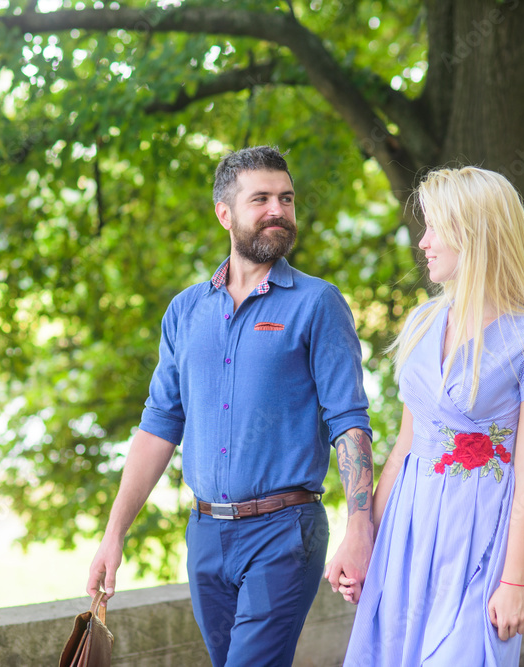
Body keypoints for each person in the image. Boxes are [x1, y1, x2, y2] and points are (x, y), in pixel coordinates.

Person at [85, 145, 375, 667]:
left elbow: (349, 421)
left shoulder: (317, 303)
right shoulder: (186, 311)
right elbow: (158, 425)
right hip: (206, 535)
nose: (277, 211)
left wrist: (360, 526)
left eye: (286, 199)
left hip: (285, 532)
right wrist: (114, 535)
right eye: (260, 198)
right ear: (225, 213)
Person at [340, 166, 524, 666]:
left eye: (436, 227)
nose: (424, 242)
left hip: (480, 534)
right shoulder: (423, 321)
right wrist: (364, 541)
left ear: (476, 232)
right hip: (407, 528)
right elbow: (404, 447)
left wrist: (514, 579)